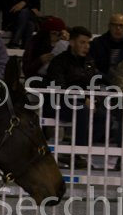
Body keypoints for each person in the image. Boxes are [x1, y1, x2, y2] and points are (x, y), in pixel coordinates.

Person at [44, 26, 108, 154]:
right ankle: (78, 153)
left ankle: (82, 148)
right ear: (72, 42)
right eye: (82, 42)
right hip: (57, 103)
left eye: (88, 43)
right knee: (82, 110)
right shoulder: (59, 61)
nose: (86, 46)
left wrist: (94, 100)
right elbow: (60, 88)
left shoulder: (89, 62)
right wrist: (84, 99)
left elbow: (94, 85)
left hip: (81, 103)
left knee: (103, 115)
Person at [90, 13, 123, 83]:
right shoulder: (97, 43)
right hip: (101, 82)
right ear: (109, 26)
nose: (118, 28)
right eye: (114, 25)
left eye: (121, 25)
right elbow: (92, 67)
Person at [22, 16, 69, 81]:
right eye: (54, 33)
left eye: (59, 34)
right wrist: (40, 61)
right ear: (46, 34)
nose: (57, 37)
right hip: (37, 79)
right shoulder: (35, 43)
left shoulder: (63, 44)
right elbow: (26, 70)